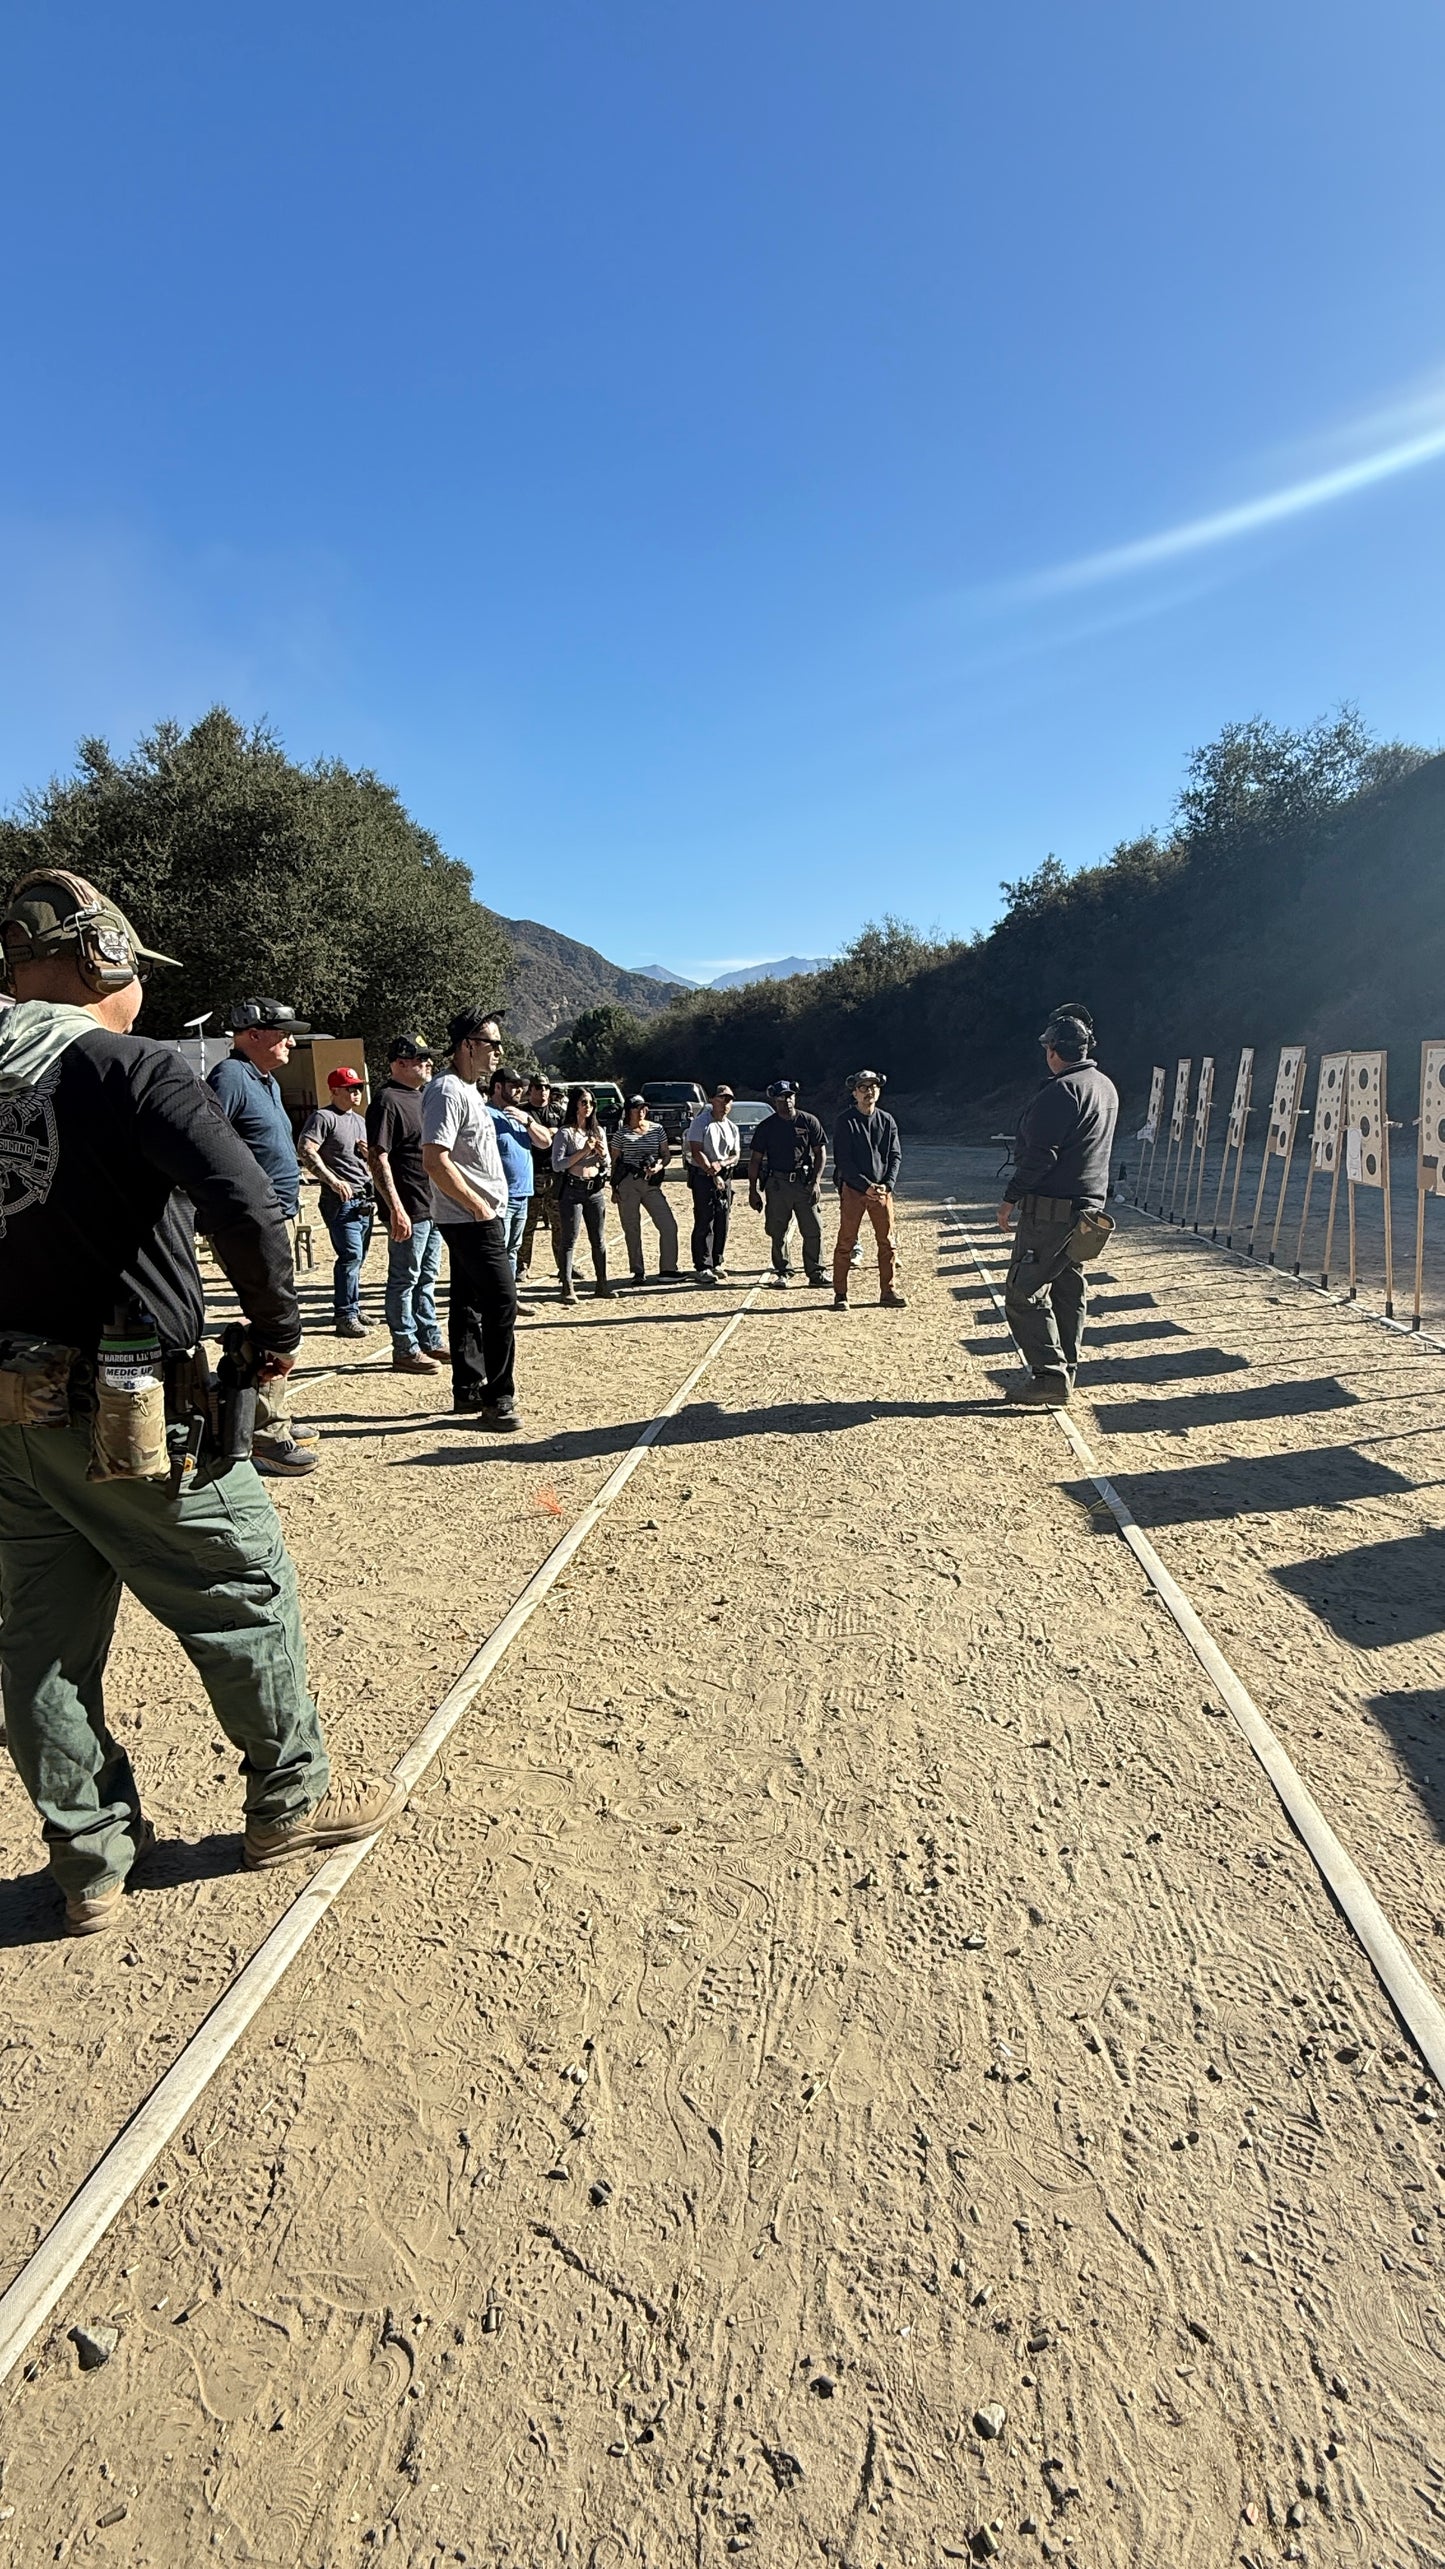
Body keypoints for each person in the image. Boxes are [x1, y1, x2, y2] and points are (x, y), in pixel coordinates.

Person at [0, 867, 398, 1933]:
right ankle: (291, 1801)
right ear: (104, 961)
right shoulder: (131, 1071)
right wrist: (272, 1338)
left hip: (12, 1416)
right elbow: (247, 1203)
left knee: (40, 1644)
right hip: (131, 1409)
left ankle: (86, 1866)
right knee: (243, 1589)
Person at [207, 997, 317, 1477]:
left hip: (273, 1216)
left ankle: (272, 1416)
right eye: (283, 1032)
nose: (292, 1040)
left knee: (277, 1314)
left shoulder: (263, 1080)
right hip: (252, 1221)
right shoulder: (230, 1078)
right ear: (252, 1035)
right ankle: (265, 1434)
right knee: (273, 1317)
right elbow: (209, 1143)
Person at [997, 1011, 1119, 1408]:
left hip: (1051, 1210)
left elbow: (1039, 1157)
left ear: (1052, 1050)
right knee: (1068, 1288)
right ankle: (1066, 1369)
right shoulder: (1105, 1087)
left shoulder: (1060, 1092)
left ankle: (1050, 1374)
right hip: (1089, 1210)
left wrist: (1011, 1197)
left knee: (1022, 1291)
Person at [421, 1006, 520, 1427]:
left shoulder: (470, 1091)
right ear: (467, 1046)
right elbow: (435, 1158)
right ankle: (498, 1397)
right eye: (490, 1043)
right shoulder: (445, 1091)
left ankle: (468, 1388)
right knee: (502, 1301)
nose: (497, 1052)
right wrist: (477, 1205)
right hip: (470, 1218)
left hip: (478, 1214)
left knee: (468, 1303)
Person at [365, 1035, 447, 1376]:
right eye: (419, 1059)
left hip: (431, 1205)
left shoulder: (423, 1097)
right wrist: (395, 1207)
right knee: (404, 1279)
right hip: (408, 1207)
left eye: (427, 1059)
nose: (427, 1064)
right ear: (400, 1063)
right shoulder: (386, 1101)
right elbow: (377, 1157)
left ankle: (428, 1337)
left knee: (427, 1277)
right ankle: (405, 1347)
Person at [300, 1067, 375, 1338]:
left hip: (364, 1199)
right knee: (350, 1256)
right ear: (334, 1091)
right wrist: (333, 1181)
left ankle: (354, 1307)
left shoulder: (358, 1120)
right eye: (350, 1088)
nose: (356, 1092)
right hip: (340, 1201)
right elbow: (307, 1150)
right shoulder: (324, 1117)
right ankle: (345, 1314)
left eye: (358, 1087)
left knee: (359, 1257)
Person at [832, 1071, 906, 1311]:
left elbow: (895, 1156)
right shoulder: (845, 1121)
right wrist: (865, 1186)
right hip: (854, 1190)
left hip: (882, 1190)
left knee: (887, 1242)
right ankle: (840, 1294)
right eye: (863, 1088)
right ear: (854, 1093)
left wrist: (887, 1184)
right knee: (846, 1241)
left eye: (873, 1087)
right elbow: (844, 1161)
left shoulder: (887, 1120)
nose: (869, 1092)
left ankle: (888, 1290)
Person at [747, 1079, 827, 1288]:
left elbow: (820, 1153)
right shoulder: (766, 1127)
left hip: (804, 1184)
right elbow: (755, 1159)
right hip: (777, 1185)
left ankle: (816, 1272)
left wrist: (816, 1182)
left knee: (813, 1229)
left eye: (790, 1096)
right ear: (775, 1100)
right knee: (777, 1230)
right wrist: (753, 1190)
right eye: (782, 1097)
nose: (787, 1101)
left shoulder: (809, 1121)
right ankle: (783, 1271)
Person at [552, 1087, 616, 1305]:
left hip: (595, 1190)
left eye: (590, 1103)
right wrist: (582, 1152)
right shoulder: (565, 1133)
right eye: (583, 1102)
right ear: (575, 1105)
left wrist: (601, 1154)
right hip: (572, 1190)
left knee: (598, 1239)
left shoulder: (599, 1132)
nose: (587, 1107)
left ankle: (602, 1283)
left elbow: (606, 1163)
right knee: (569, 1239)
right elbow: (558, 1164)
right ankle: (567, 1286)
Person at [487, 1066, 551, 1281]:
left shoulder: (520, 1114)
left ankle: (509, 1296)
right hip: (500, 1197)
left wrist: (528, 1121)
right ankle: (496, 1297)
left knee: (513, 1248)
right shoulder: (487, 1115)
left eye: (520, 1087)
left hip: (523, 1194)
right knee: (498, 1251)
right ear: (497, 1087)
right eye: (513, 1086)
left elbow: (545, 1142)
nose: (518, 1091)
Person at [610, 1095, 678, 1282]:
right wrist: (614, 1188)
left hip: (651, 1182)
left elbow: (666, 1154)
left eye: (643, 1108)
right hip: (628, 1182)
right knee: (632, 1228)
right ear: (629, 1111)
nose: (641, 1112)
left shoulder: (657, 1130)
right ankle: (638, 1270)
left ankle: (668, 1268)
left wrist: (659, 1166)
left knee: (668, 1225)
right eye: (636, 1108)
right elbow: (615, 1162)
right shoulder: (621, 1134)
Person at [686, 1084, 740, 1284]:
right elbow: (696, 1149)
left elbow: (735, 1155)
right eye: (722, 1099)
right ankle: (703, 1265)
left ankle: (717, 1260)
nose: (726, 1103)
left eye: (729, 1100)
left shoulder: (731, 1127)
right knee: (704, 1220)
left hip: (724, 1175)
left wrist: (722, 1164)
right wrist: (711, 1171)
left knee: (722, 1219)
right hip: (703, 1175)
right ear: (712, 1100)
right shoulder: (701, 1123)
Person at [517, 1073, 563, 1283]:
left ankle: (564, 1264)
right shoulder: (522, 1112)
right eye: (538, 1087)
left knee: (559, 1224)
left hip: (554, 1174)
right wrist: (546, 1133)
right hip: (530, 1174)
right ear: (531, 1090)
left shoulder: (557, 1111)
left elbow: (566, 1135)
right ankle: (522, 1266)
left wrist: (547, 1133)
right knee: (528, 1224)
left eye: (545, 1087)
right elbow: (530, 1137)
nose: (542, 1091)